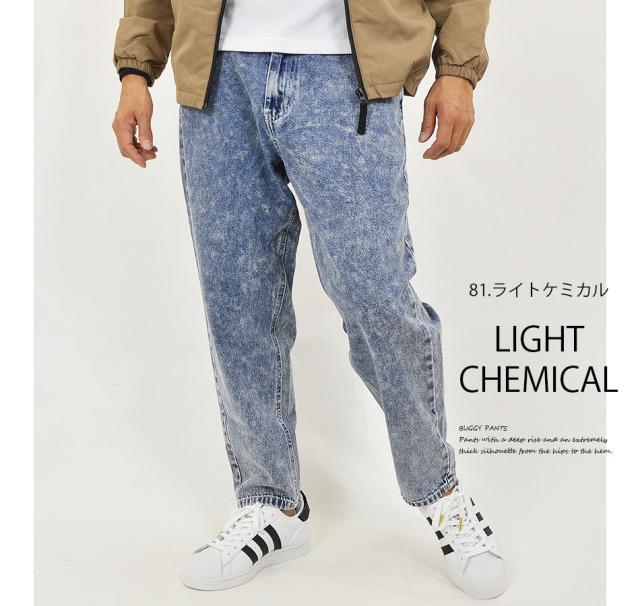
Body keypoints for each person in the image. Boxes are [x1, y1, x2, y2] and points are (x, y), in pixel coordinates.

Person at [112, 0, 507, 599]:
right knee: (238, 304)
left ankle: (441, 493)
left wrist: (457, 70)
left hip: (348, 76)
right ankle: (271, 503)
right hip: (219, 78)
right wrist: (135, 70)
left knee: (376, 299)